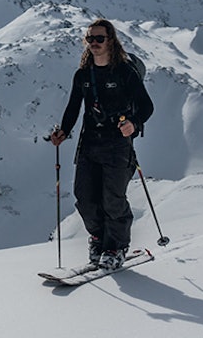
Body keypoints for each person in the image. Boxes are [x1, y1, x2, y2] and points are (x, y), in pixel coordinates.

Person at [49, 19, 154, 270]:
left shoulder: (125, 72)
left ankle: (116, 246)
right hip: (89, 144)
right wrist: (63, 130)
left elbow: (146, 106)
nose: (94, 43)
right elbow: (74, 107)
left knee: (112, 199)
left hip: (118, 145)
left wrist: (134, 124)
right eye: (90, 39)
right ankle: (98, 239)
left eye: (99, 38)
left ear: (111, 41)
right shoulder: (83, 75)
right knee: (84, 198)